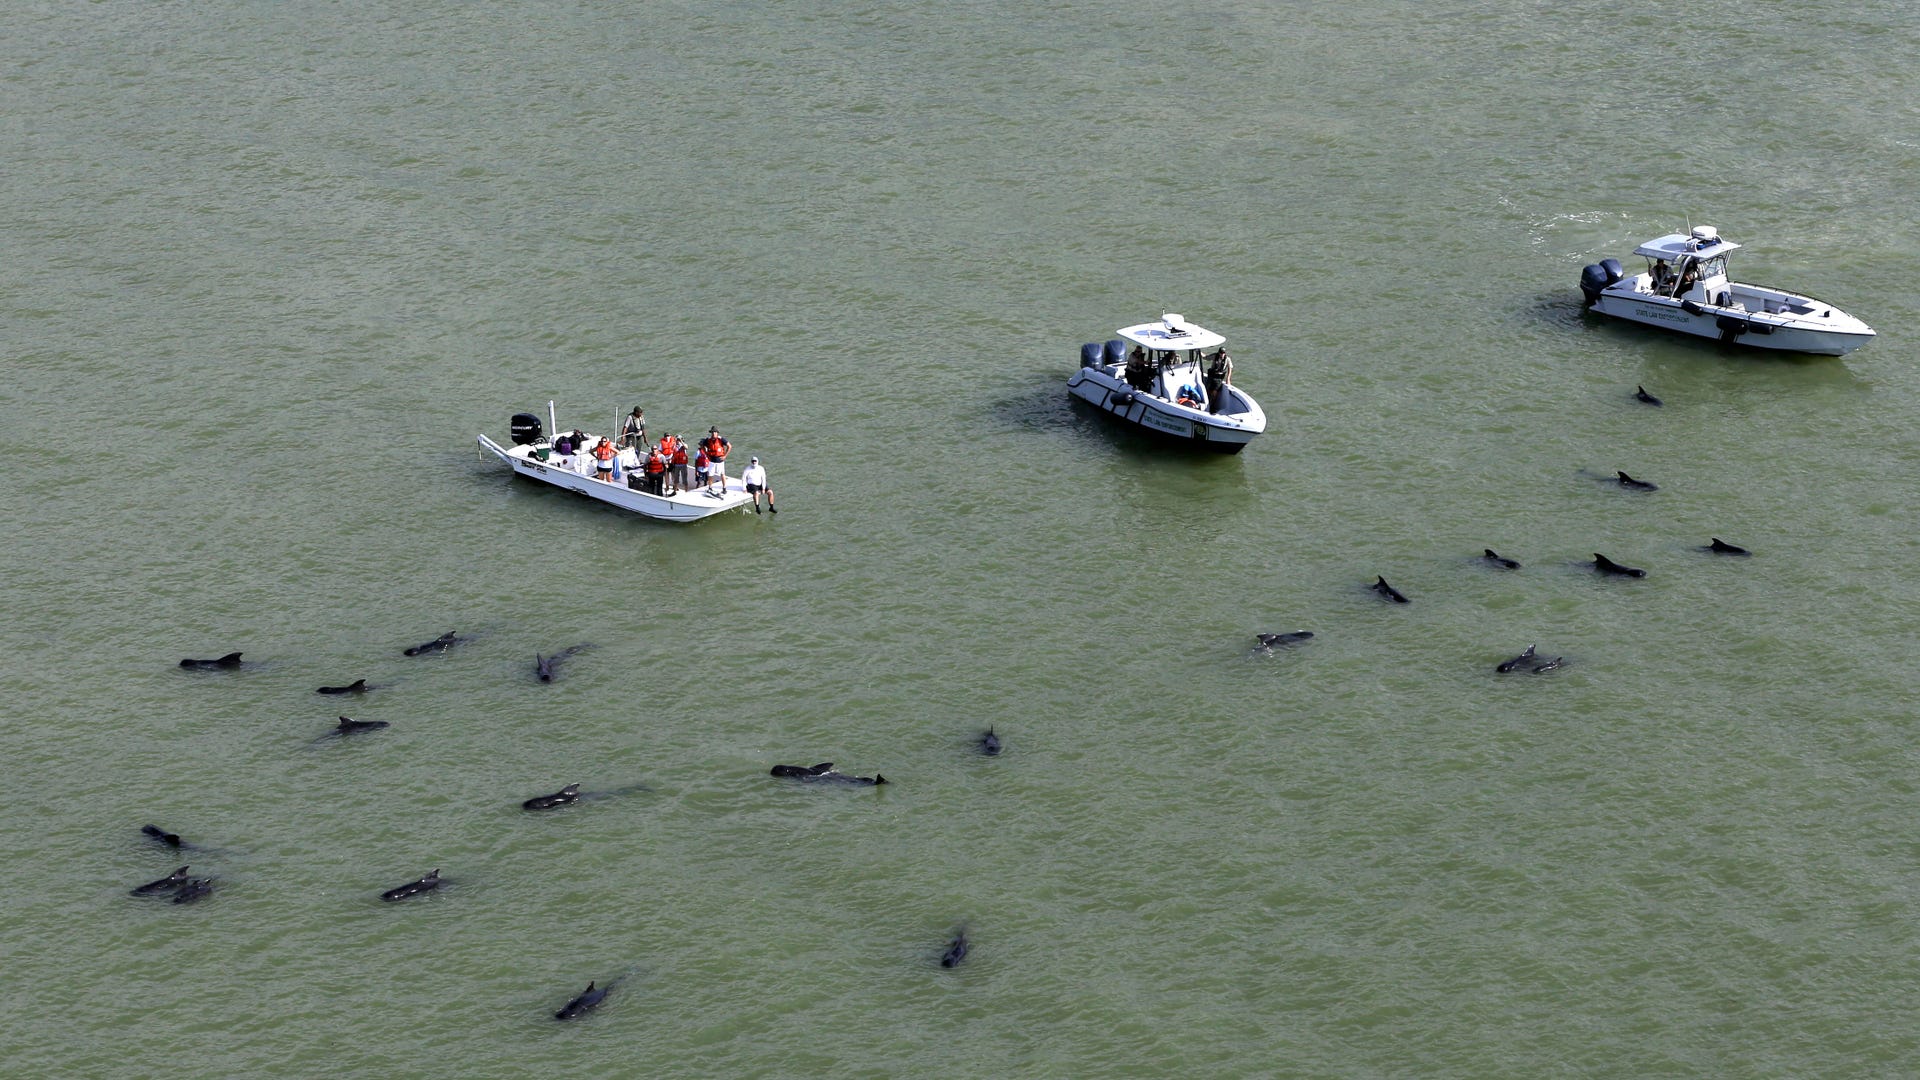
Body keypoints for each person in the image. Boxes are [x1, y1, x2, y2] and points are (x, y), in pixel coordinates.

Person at [701, 427, 731, 494]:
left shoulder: (721, 439)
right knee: (710, 475)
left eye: (715, 432)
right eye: (712, 432)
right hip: (712, 460)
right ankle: (710, 487)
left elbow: (729, 446)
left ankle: (724, 488)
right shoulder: (708, 440)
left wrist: (725, 456)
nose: (713, 433)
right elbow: (702, 445)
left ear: (717, 433)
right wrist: (706, 454)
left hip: (720, 460)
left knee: (722, 474)